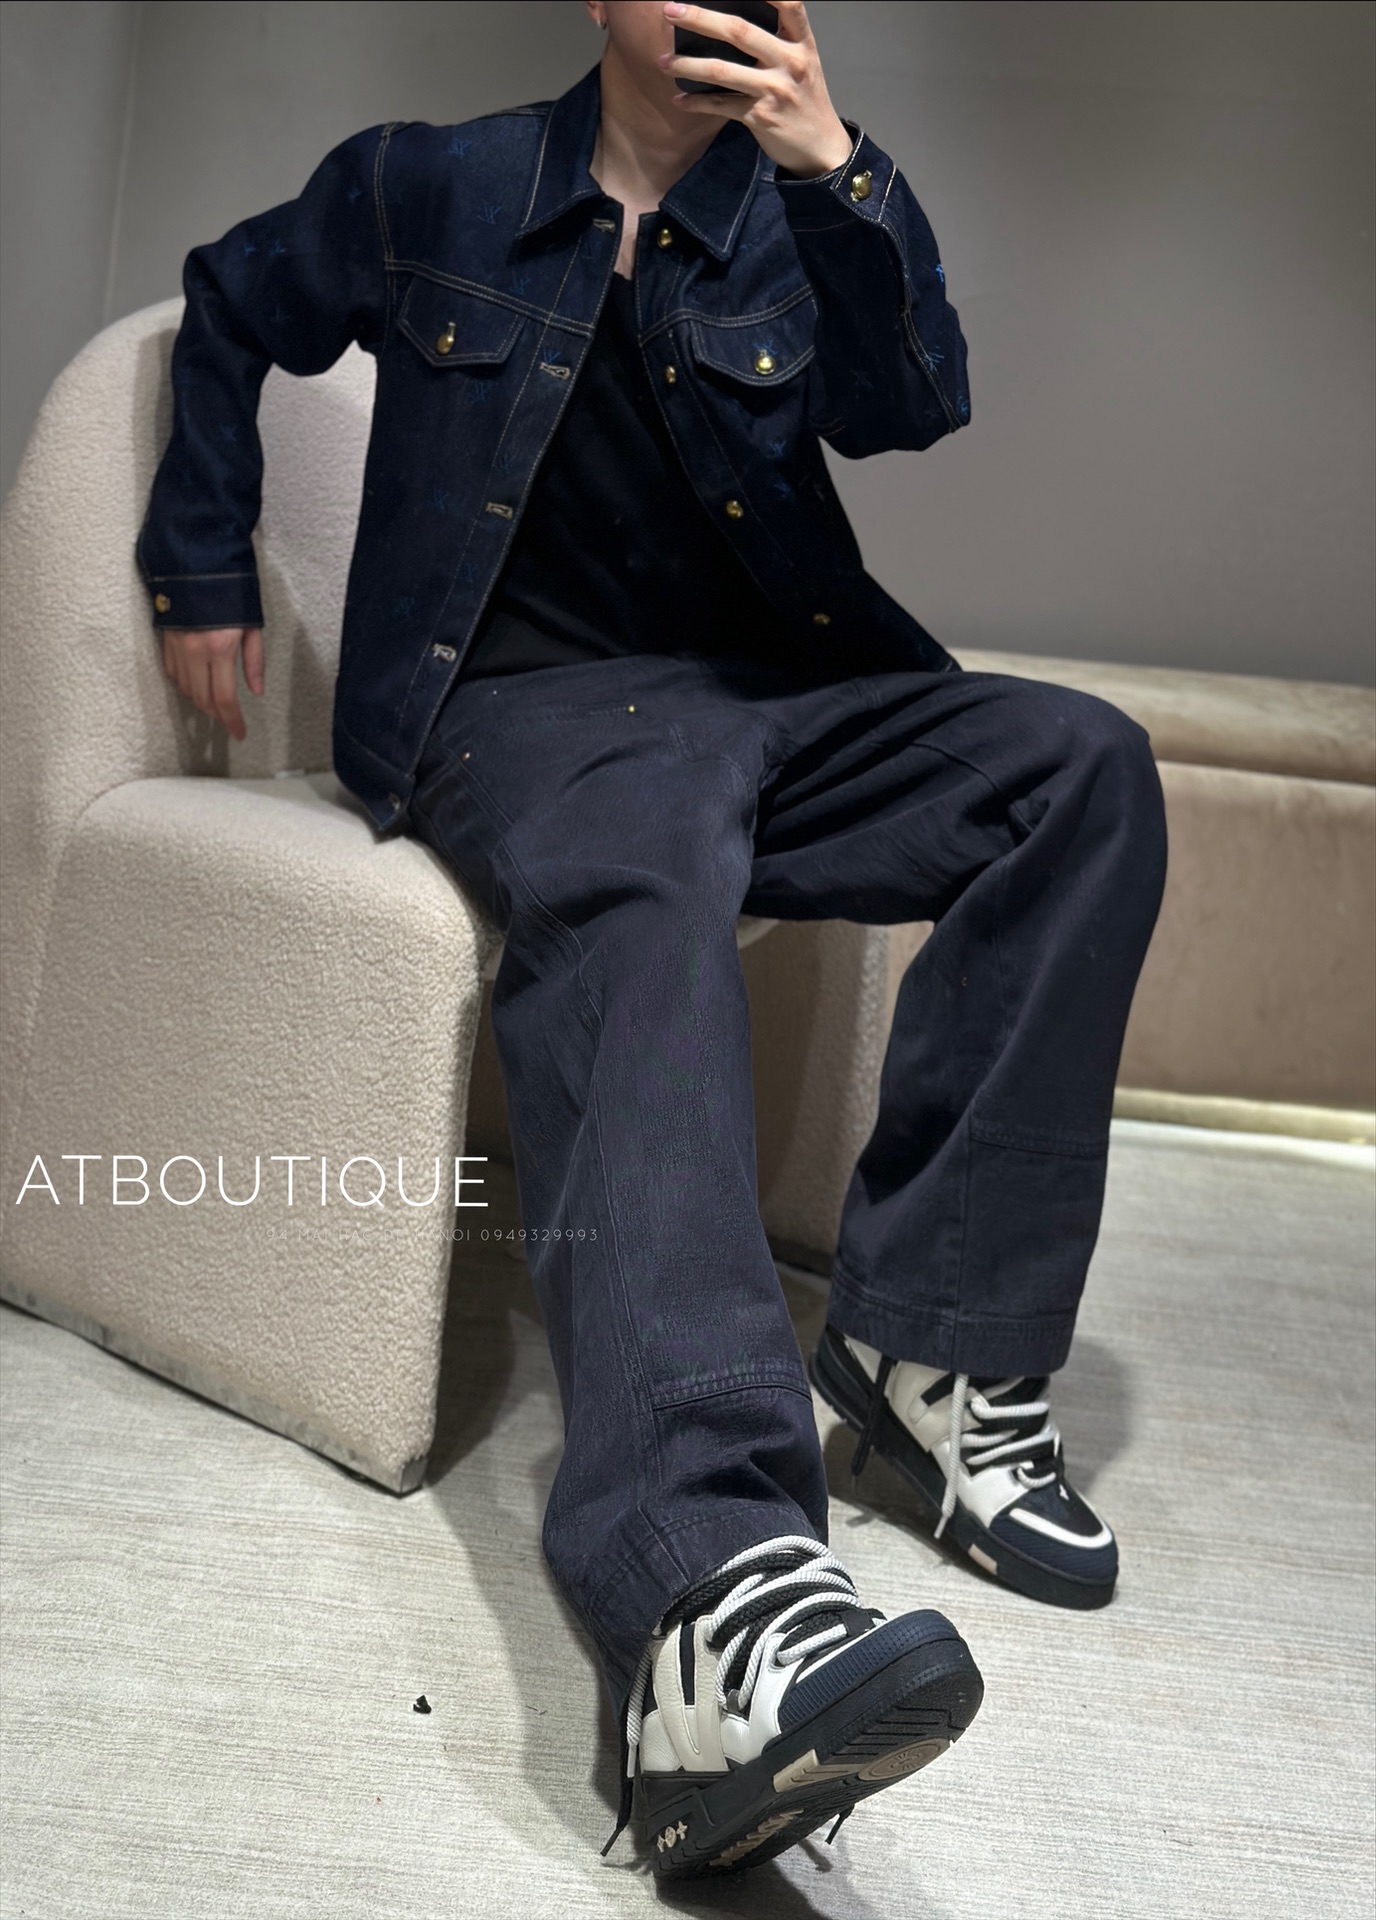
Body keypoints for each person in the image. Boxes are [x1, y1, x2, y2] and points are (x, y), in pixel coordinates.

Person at [138, 0, 1167, 1882]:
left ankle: (931, 1359)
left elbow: (911, 400)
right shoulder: (433, 184)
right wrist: (198, 561)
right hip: (518, 716)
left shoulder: (792, 209)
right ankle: (706, 1583)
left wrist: (839, 174)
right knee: (646, 851)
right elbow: (226, 298)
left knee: (1080, 768)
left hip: (768, 704)